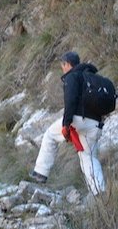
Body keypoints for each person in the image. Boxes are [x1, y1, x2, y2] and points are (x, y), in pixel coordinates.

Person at [31, 51, 106, 195]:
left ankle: (41, 173)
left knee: (50, 135)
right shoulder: (93, 77)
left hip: (79, 119)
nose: (62, 68)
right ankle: (100, 193)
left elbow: (70, 102)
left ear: (68, 64)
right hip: (95, 124)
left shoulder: (72, 76)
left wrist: (66, 124)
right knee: (89, 157)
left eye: (62, 65)